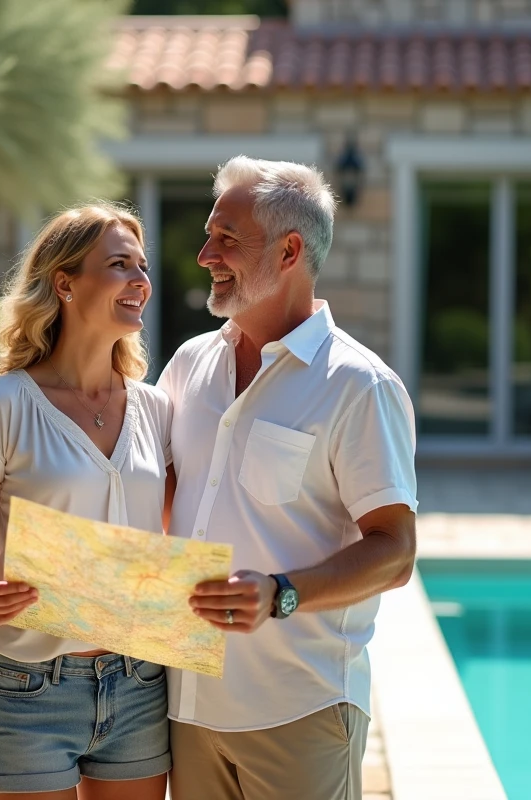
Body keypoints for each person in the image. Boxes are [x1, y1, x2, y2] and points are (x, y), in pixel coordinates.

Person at [157, 156, 419, 800]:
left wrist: (282, 593)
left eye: (227, 240)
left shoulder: (359, 385)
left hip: (299, 712)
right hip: (186, 706)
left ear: (289, 252)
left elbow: (396, 551)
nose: (203, 255)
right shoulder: (190, 363)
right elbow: (149, 490)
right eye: (208, 235)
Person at [0, 203, 172, 800]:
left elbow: (170, 539)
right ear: (65, 283)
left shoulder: (158, 410)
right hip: (29, 689)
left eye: (142, 267)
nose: (140, 280)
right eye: (120, 265)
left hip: (139, 680)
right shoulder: (0, 406)